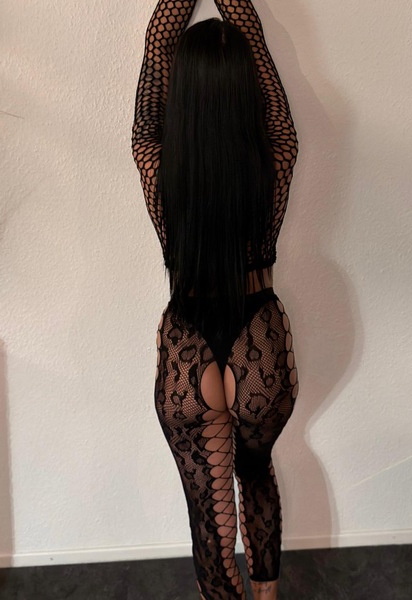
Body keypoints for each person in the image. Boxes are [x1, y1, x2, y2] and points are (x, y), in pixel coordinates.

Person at [131, 1, 299, 598]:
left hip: (189, 339)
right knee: (255, 475)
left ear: (182, 96)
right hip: (258, 335)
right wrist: (238, 13)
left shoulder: (157, 166)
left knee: (209, 512)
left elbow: (156, 55)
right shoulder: (276, 157)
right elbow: (261, 61)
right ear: (246, 89)